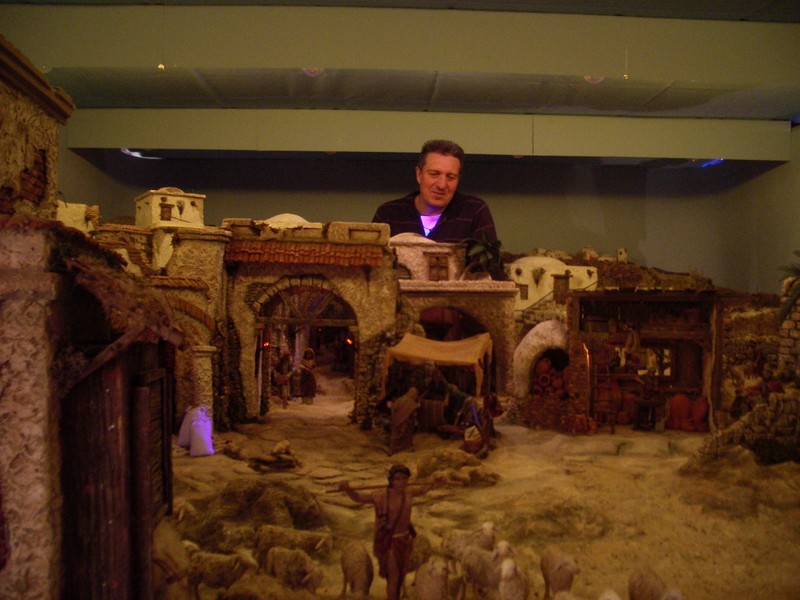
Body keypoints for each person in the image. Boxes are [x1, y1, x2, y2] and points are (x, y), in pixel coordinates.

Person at [338, 465, 442, 600]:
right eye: (398, 479)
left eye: (404, 478)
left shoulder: (409, 493)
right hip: (389, 542)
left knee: (400, 578)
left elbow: (423, 490)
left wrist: (434, 481)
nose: (401, 482)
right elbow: (359, 498)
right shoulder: (380, 495)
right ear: (391, 480)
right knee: (394, 577)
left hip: (405, 542)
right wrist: (348, 490)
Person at [372, 139, 497, 244]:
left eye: (450, 177)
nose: (442, 185)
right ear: (419, 175)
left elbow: (491, 264)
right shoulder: (388, 214)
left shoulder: (474, 211)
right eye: (434, 174)